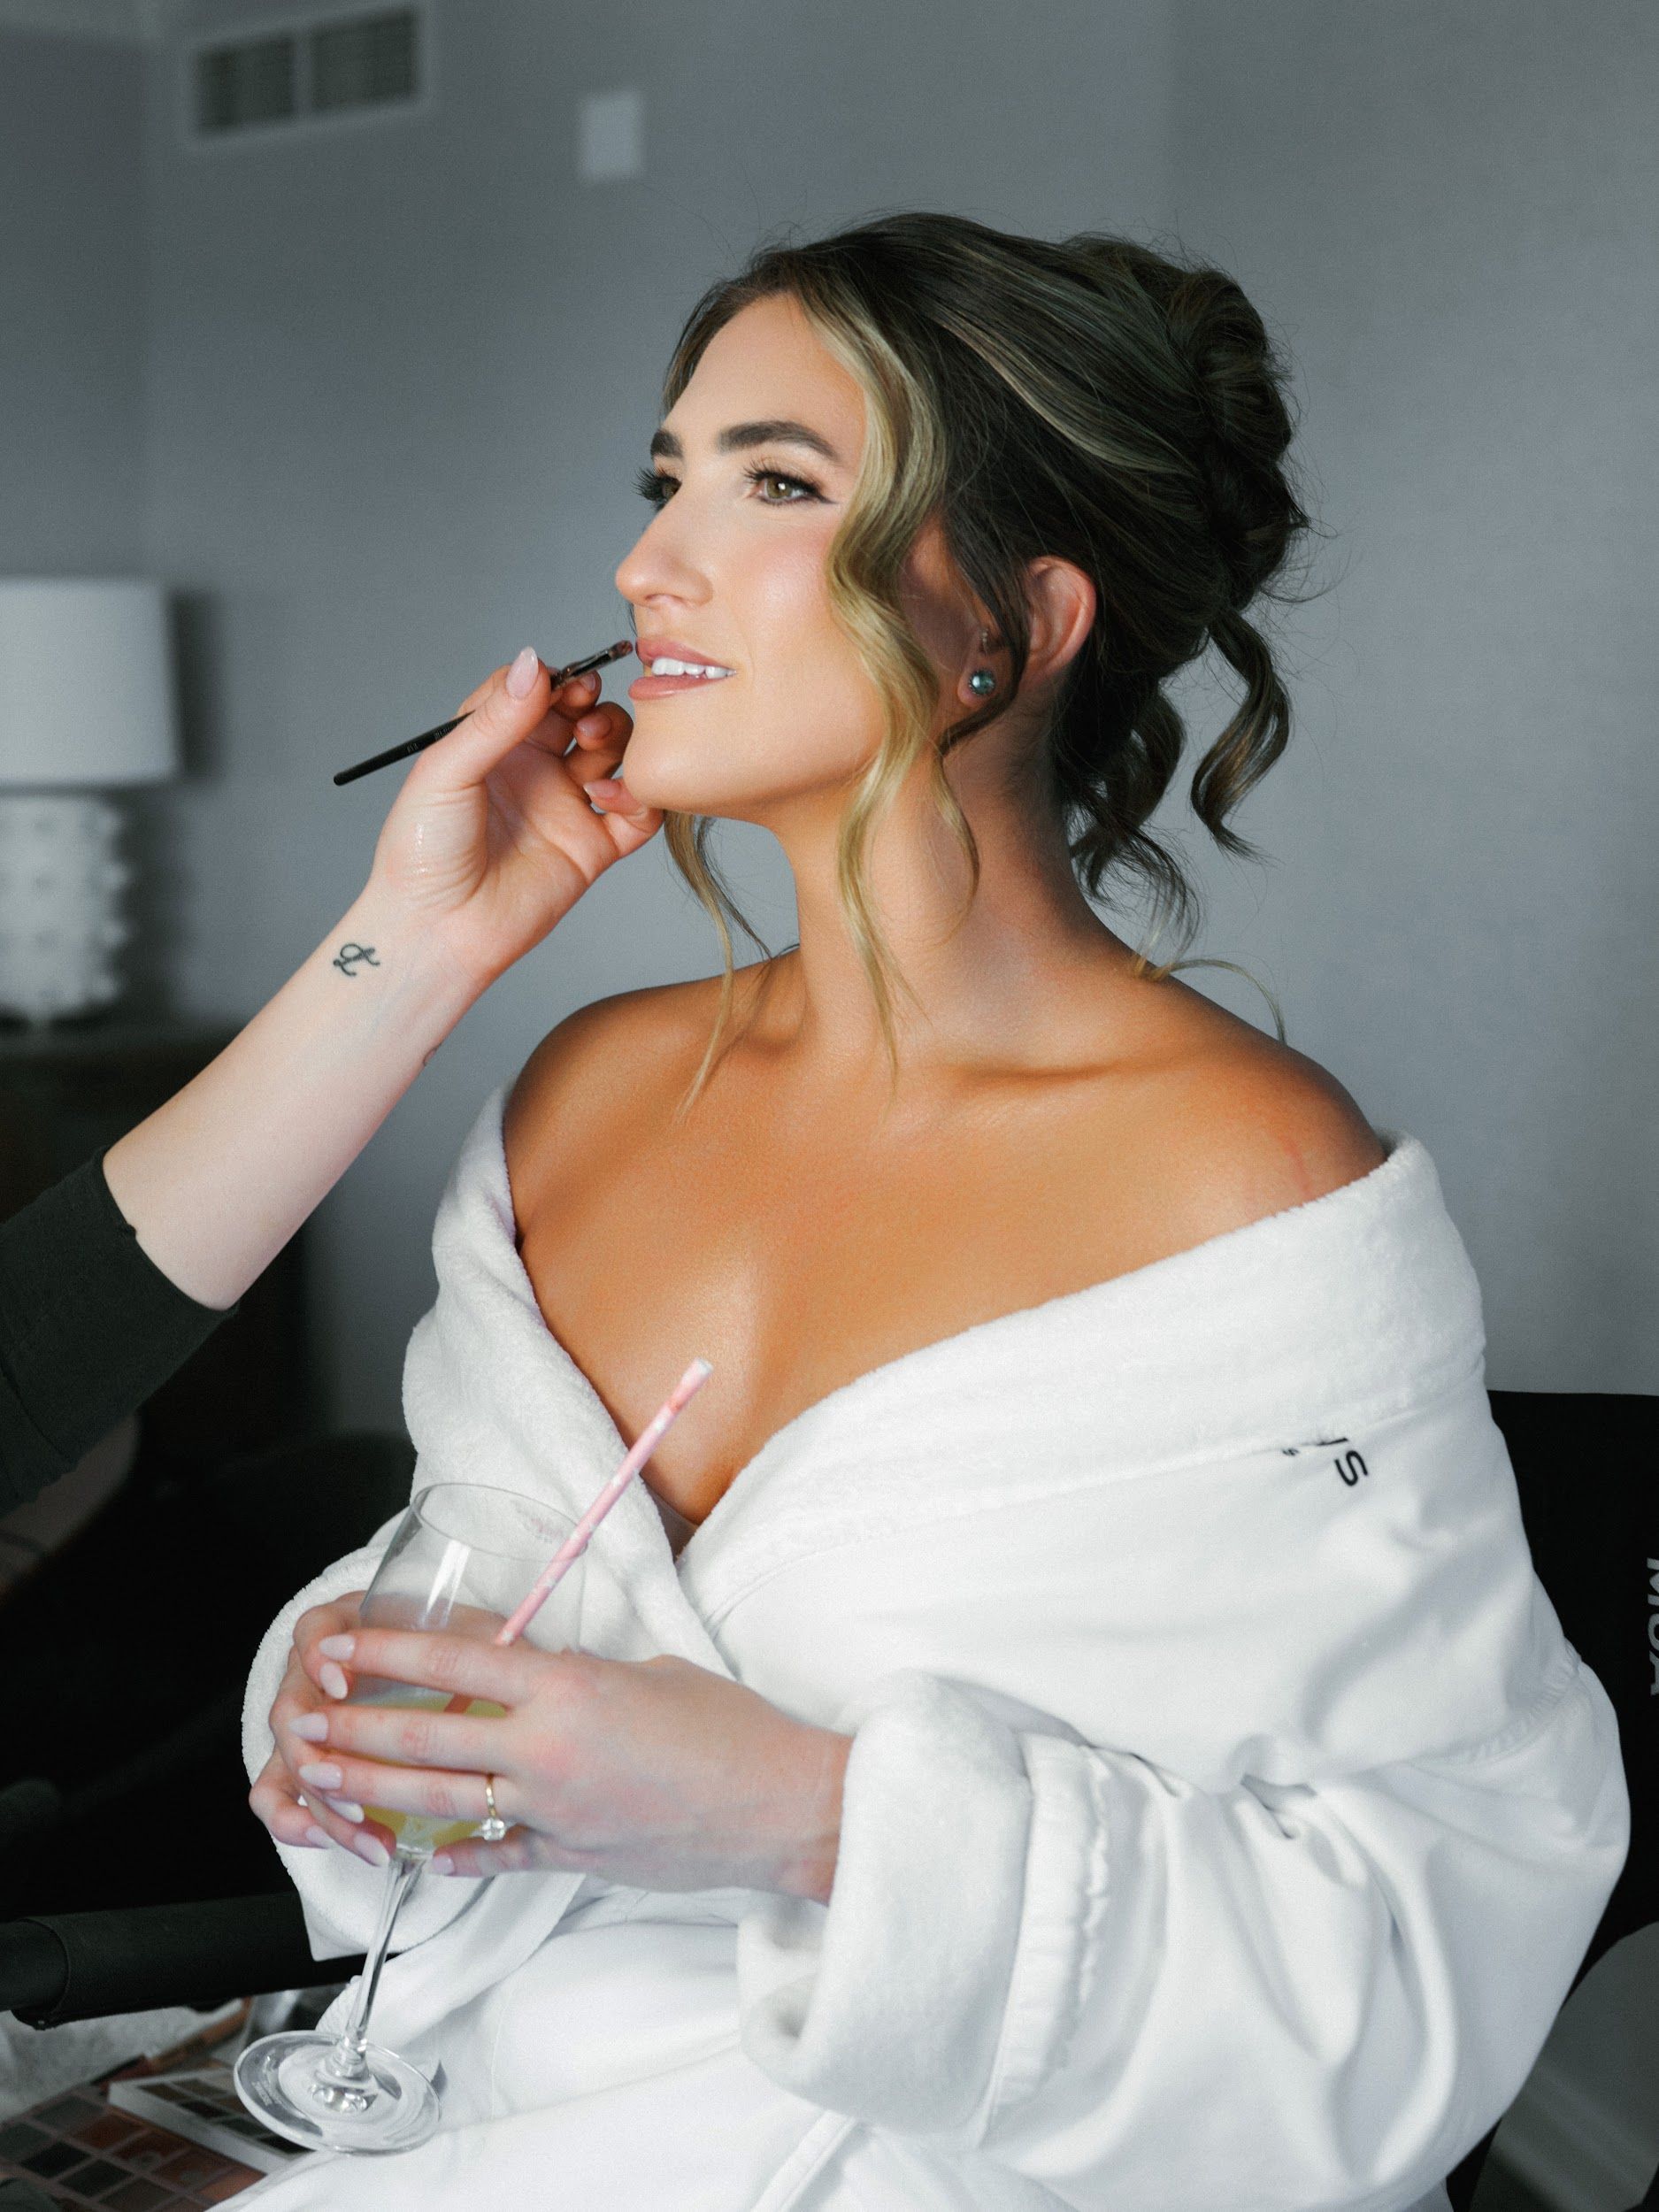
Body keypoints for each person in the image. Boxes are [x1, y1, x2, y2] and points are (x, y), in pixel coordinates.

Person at [235, 212, 1627, 2212]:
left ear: (1016, 623)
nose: (647, 565)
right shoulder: (581, 1095)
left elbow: (1417, 1927)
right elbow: (497, 1577)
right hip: (469, 2117)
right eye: (663, 481)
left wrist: (813, 1825)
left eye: (775, 483)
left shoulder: (1241, 1183)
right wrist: (333, 1676)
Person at [0, 649, 661, 1515]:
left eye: (783, 498)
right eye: (666, 500)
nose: (639, 570)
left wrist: (428, 931)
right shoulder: (616, 1070)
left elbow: (28, 1357)